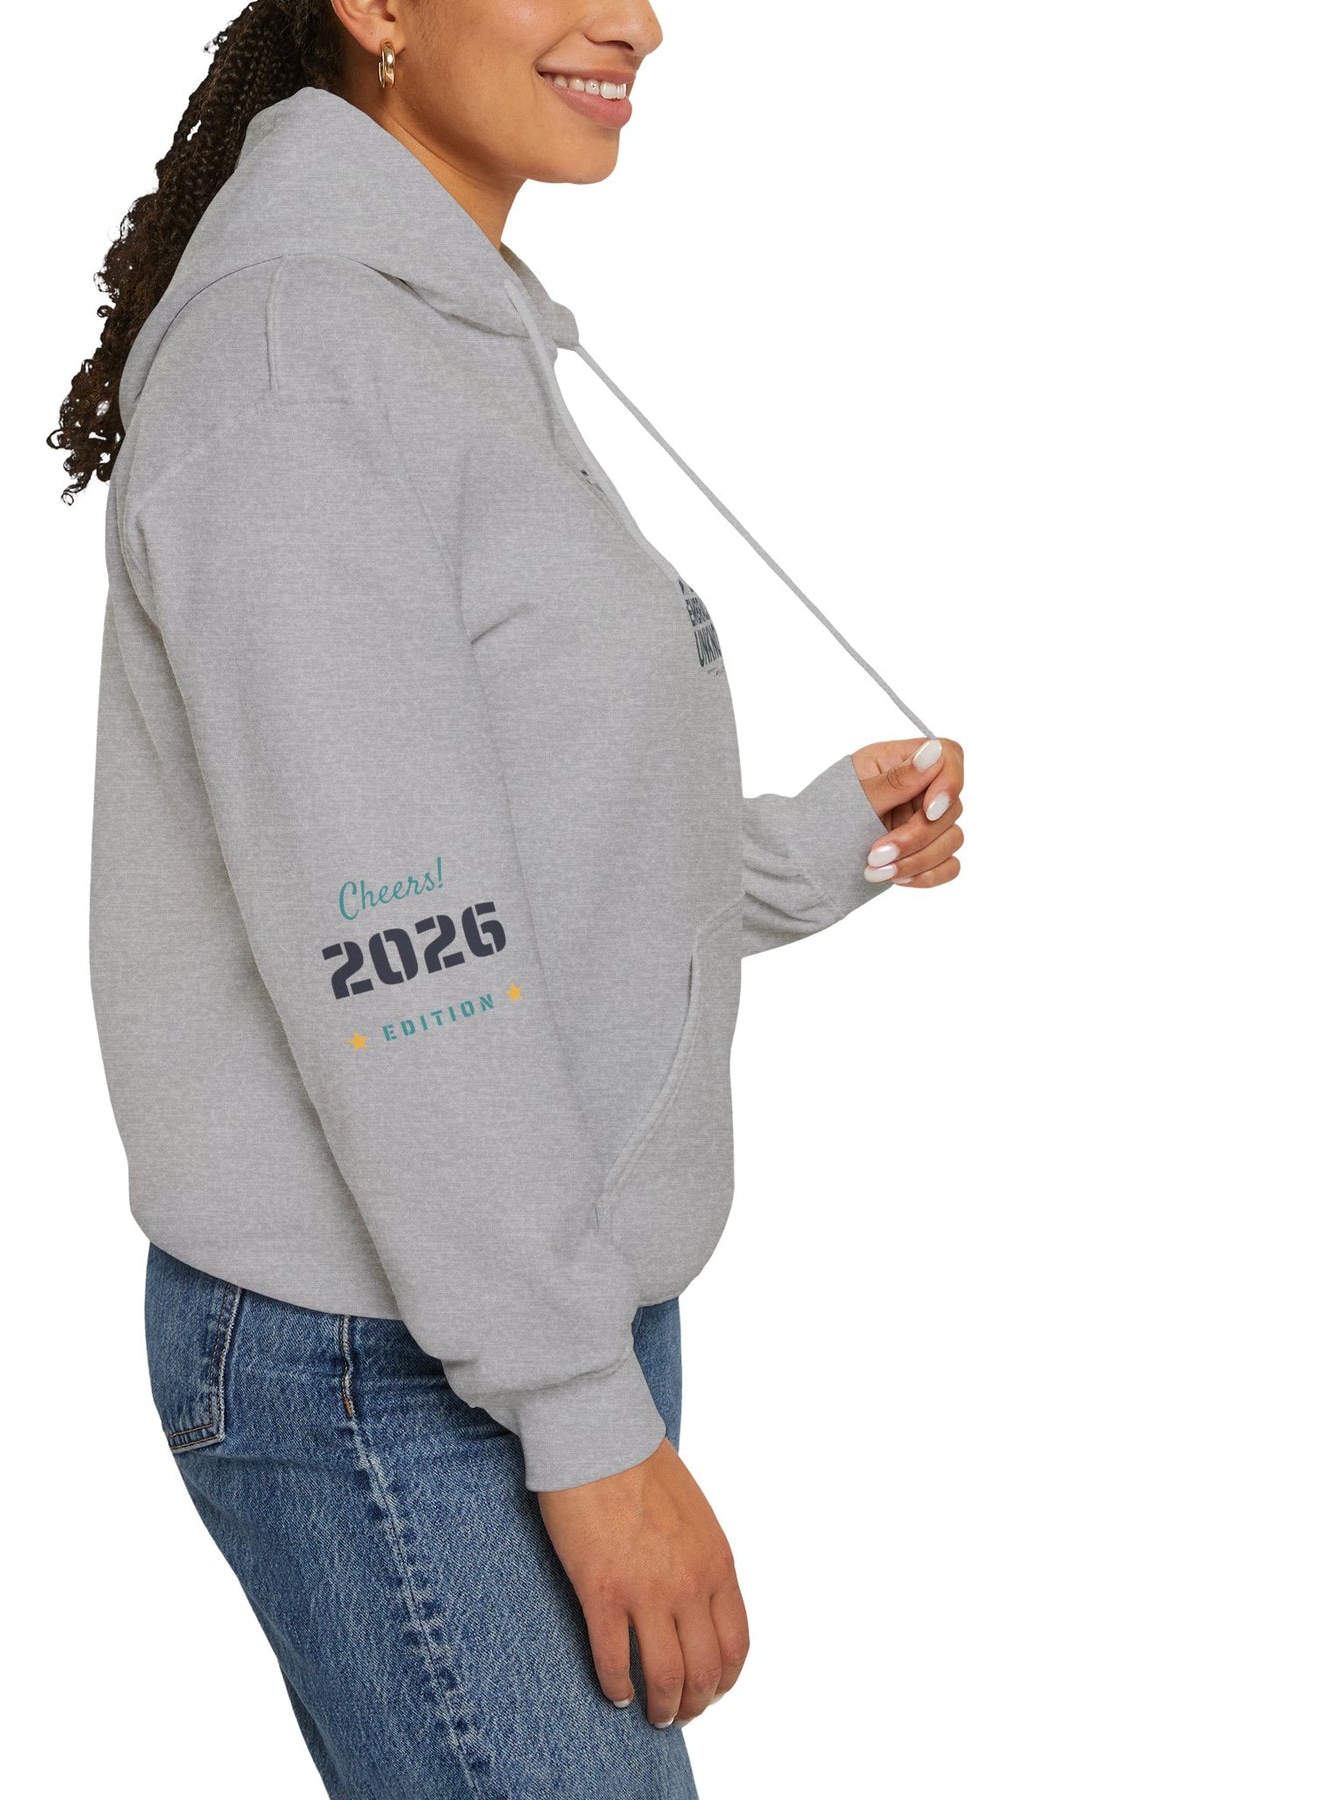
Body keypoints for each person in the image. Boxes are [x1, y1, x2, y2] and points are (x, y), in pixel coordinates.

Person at [51, 3, 965, 1793]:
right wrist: (582, 1418)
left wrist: (807, 850)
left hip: (507, 1299)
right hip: (391, 1351)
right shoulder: (299, 361)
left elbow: (491, 838)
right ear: (377, 7)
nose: (636, 21)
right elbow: (398, 945)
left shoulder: (428, 321)